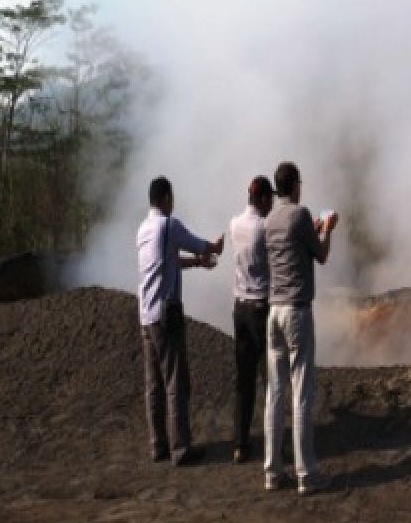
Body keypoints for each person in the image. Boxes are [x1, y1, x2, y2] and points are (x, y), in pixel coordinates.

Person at [263, 161, 339, 495]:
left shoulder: (270, 220)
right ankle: (306, 473)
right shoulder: (300, 214)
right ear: (294, 185)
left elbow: (294, 243)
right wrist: (329, 228)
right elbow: (320, 254)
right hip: (296, 312)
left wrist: (316, 226)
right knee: (302, 393)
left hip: (273, 312)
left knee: (275, 393)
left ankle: (272, 471)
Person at [137, 175, 224, 466]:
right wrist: (213, 247)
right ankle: (181, 450)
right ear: (165, 198)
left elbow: (169, 262)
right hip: (166, 313)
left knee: (153, 384)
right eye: (171, 197)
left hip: (146, 314)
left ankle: (157, 446)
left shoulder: (144, 229)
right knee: (176, 382)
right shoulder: (168, 225)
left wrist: (198, 263)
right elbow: (196, 244)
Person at [229, 175, 275, 463]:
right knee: (271, 380)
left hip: (239, 309)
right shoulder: (264, 227)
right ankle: (275, 442)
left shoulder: (235, 224)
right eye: (269, 199)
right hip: (261, 308)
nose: (271, 203)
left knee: (243, 381)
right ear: (261, 199)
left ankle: (240, 444)